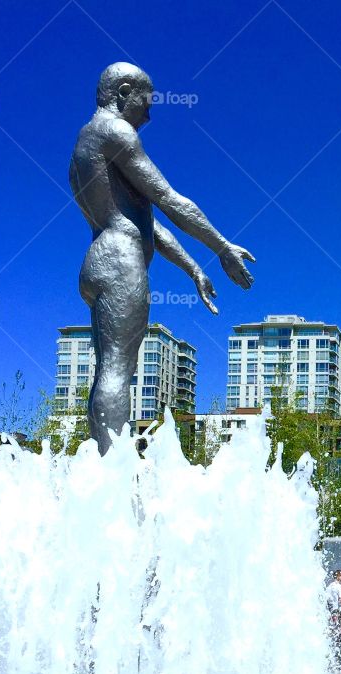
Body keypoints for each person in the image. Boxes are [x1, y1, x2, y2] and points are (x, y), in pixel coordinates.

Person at [70, 63, 255, 453]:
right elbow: (168, 199)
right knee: (118, 370)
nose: (150, 113)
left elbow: (148, 225)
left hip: (101, 258)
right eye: (146, 102)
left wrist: (193, 269)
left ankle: (107, 465)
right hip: (120, 261)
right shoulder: (114, 131)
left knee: (111, 369)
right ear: (123, 92)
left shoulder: (84, 148)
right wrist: (222, 247)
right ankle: (115, 475)